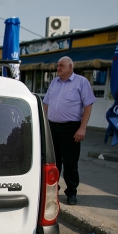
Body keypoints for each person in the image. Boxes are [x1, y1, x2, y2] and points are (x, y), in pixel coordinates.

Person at [43, 56, 96, 206]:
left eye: (62, 65)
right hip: (52, 127)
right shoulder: (54, 82)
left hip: (71, 128)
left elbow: (88, 106)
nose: (58, 68)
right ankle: (53, 191)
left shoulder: (81, 82)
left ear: (70, 67)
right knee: (52, 162)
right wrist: (44, 123)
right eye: (57, 65)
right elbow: (46, 104)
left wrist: (82, 128)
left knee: (70, 163)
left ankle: (71, 192)